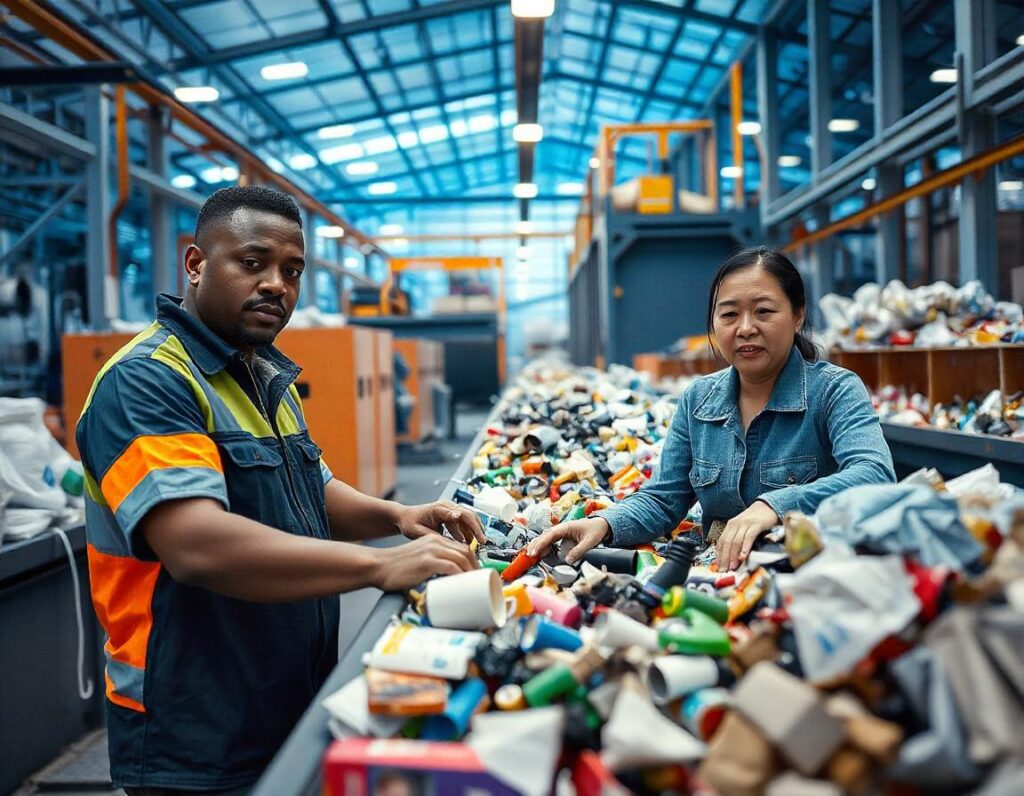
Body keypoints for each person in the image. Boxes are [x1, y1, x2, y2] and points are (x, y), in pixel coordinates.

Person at [77, 186, 483, 795]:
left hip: (280, 692)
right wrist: (380, 565)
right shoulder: (147, 381)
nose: (276, 285)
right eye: (252, 263)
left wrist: (399, 515)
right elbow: (196, 544)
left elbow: (307, 489)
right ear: (195, 264)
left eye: (291, 271)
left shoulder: (264, 374)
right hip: (194, 721)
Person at [529, 246, 896, 570]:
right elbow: (664, 499)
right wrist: (606, 524)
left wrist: (775, 506)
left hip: (809, 572)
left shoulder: (834, 391)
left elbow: (875, 474)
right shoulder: (698, 400)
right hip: (721, 574)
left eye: (764, 311)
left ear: (797, 316)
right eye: (729, 315)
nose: (746, 328)